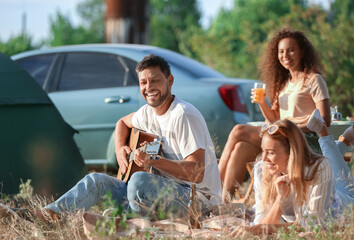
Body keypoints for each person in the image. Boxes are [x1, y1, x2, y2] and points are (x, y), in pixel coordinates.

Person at [1, 54, 222, 222]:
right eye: (143, 83)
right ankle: (46, 216)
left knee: (138, 181)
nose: (148, 88)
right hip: (157, 192)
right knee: (96, 180)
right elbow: (122, 123)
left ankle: (126, 222)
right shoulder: (147, 112)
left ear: (170, 80)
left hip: (198, 201)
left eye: (154, 80)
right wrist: (119, 149)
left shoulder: (183, 114)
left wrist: (153, 162)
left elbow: (197, 171)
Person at [218, 28, 331, 202]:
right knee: (240, 147)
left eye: (291, 50)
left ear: (302, 51)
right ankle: (224, 203)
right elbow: (274, 119)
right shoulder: (285, 84)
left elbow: (325, 120)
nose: (285, 55)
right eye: (281, 51)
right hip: (281, 138)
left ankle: (211, 187)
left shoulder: (314, 80)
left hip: (302, 140)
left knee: (239, 130)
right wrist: (262, 103)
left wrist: (291, 128)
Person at [230, 113, 354, 236]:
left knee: (332, 168)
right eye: (263, 150)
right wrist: (280, 198)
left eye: (270, 152)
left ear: (291, 152)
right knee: (331, 165)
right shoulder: (262, 169)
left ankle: (334, 135)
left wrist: (257, 229)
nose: (264, 158)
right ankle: (342, 142)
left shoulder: (319, 168)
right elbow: (261, 223)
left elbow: (311, 225)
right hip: (328, 186)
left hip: (346, 208)